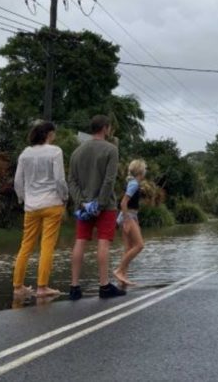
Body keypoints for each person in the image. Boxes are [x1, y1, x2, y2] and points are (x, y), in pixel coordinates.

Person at [67, 115, 126, 299]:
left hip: (83, 206)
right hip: (106, 205)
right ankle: (104, 286)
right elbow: (109, 180)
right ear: (105, 128)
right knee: (103, 242)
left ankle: (74, 287)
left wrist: (83, 202)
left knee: (80, 240)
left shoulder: (77, 152)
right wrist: (99, 205)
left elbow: (72, 181)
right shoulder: (111, 150)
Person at [12, 121, 68, 298]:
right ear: (49, 134)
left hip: (31, 206)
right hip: (52, 203)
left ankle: (18, 286)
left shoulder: (25, 154)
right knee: (47, 246)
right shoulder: (55, 151)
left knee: (26, 246)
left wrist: (23, 198)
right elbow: (59, 179)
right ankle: (42, 287)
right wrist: (64, 196)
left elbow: (17, 182)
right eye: (54, 133)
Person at [113, 159, 146, 288]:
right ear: (141, 172)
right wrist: (127, 220)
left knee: (128, 248)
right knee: (139, 246)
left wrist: (135, 220)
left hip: (130, 216)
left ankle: (123, 278)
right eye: (144, 170)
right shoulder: (134, 184)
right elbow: (123, 203)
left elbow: (130, 204)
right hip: (128, 216)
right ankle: (119, 270)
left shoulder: (132, 183)